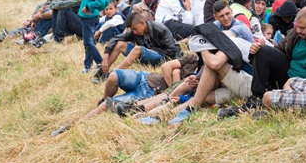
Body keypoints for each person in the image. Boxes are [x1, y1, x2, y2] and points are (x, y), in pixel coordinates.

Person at [51, 54, 199, 136]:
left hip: (150, 93)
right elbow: (167, 67)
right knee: (114, 75)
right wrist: (175, 81)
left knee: (106, 105)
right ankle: (103, 97)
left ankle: (72, 126)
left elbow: (175, 81)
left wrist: (175, 77)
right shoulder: (194, 59)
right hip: (146, 77)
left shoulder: (204, 75)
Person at [97, 11, 182, 82]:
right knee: (119, 44)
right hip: (147, 54)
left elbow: (171, 52)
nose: (134, 32)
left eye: (135, 29)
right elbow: (116, 38)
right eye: (132, 30)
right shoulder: (136, 32)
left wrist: (149, 50)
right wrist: (105, 57)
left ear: (142, 22)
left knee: (137, 49)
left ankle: (113, 74)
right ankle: (101, 74)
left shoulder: (160, 29)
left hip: (163, 57)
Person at [78, 0, 111, 73]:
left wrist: (89, 6)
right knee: (88, 43)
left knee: (88, 43)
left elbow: (100, 1)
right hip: (90, 16)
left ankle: (100, 63)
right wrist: (98, 8)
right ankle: (88, 66)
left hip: (89, 17)